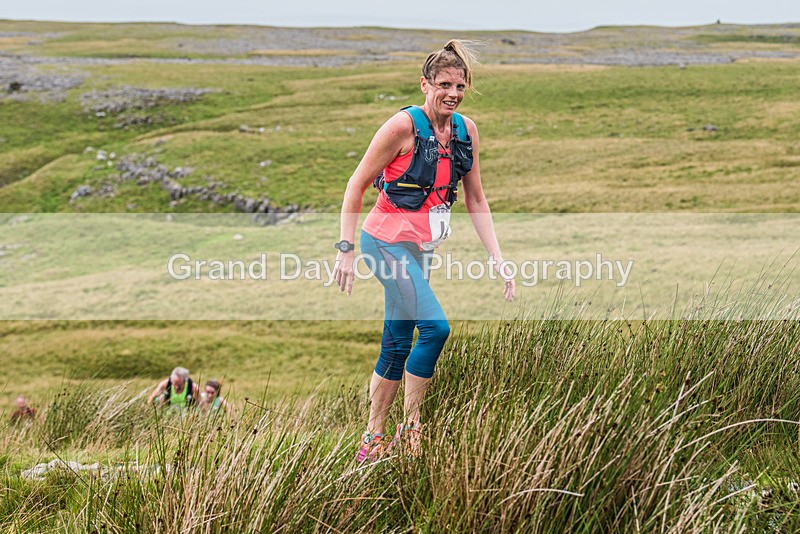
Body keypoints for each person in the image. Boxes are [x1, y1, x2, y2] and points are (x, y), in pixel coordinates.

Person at [333, 40, 515, 463]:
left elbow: (476, 199)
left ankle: (372, 440)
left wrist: (497, 257)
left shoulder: (466, 131)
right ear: (425, 84)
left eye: (460, 86)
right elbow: (355, 184)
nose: (453, 93)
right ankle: (411, 429)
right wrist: (345, 250)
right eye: (444, 85)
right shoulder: (401, 128)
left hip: (420, 250)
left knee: (397, 343)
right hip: (383, 243)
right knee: (435, 329)